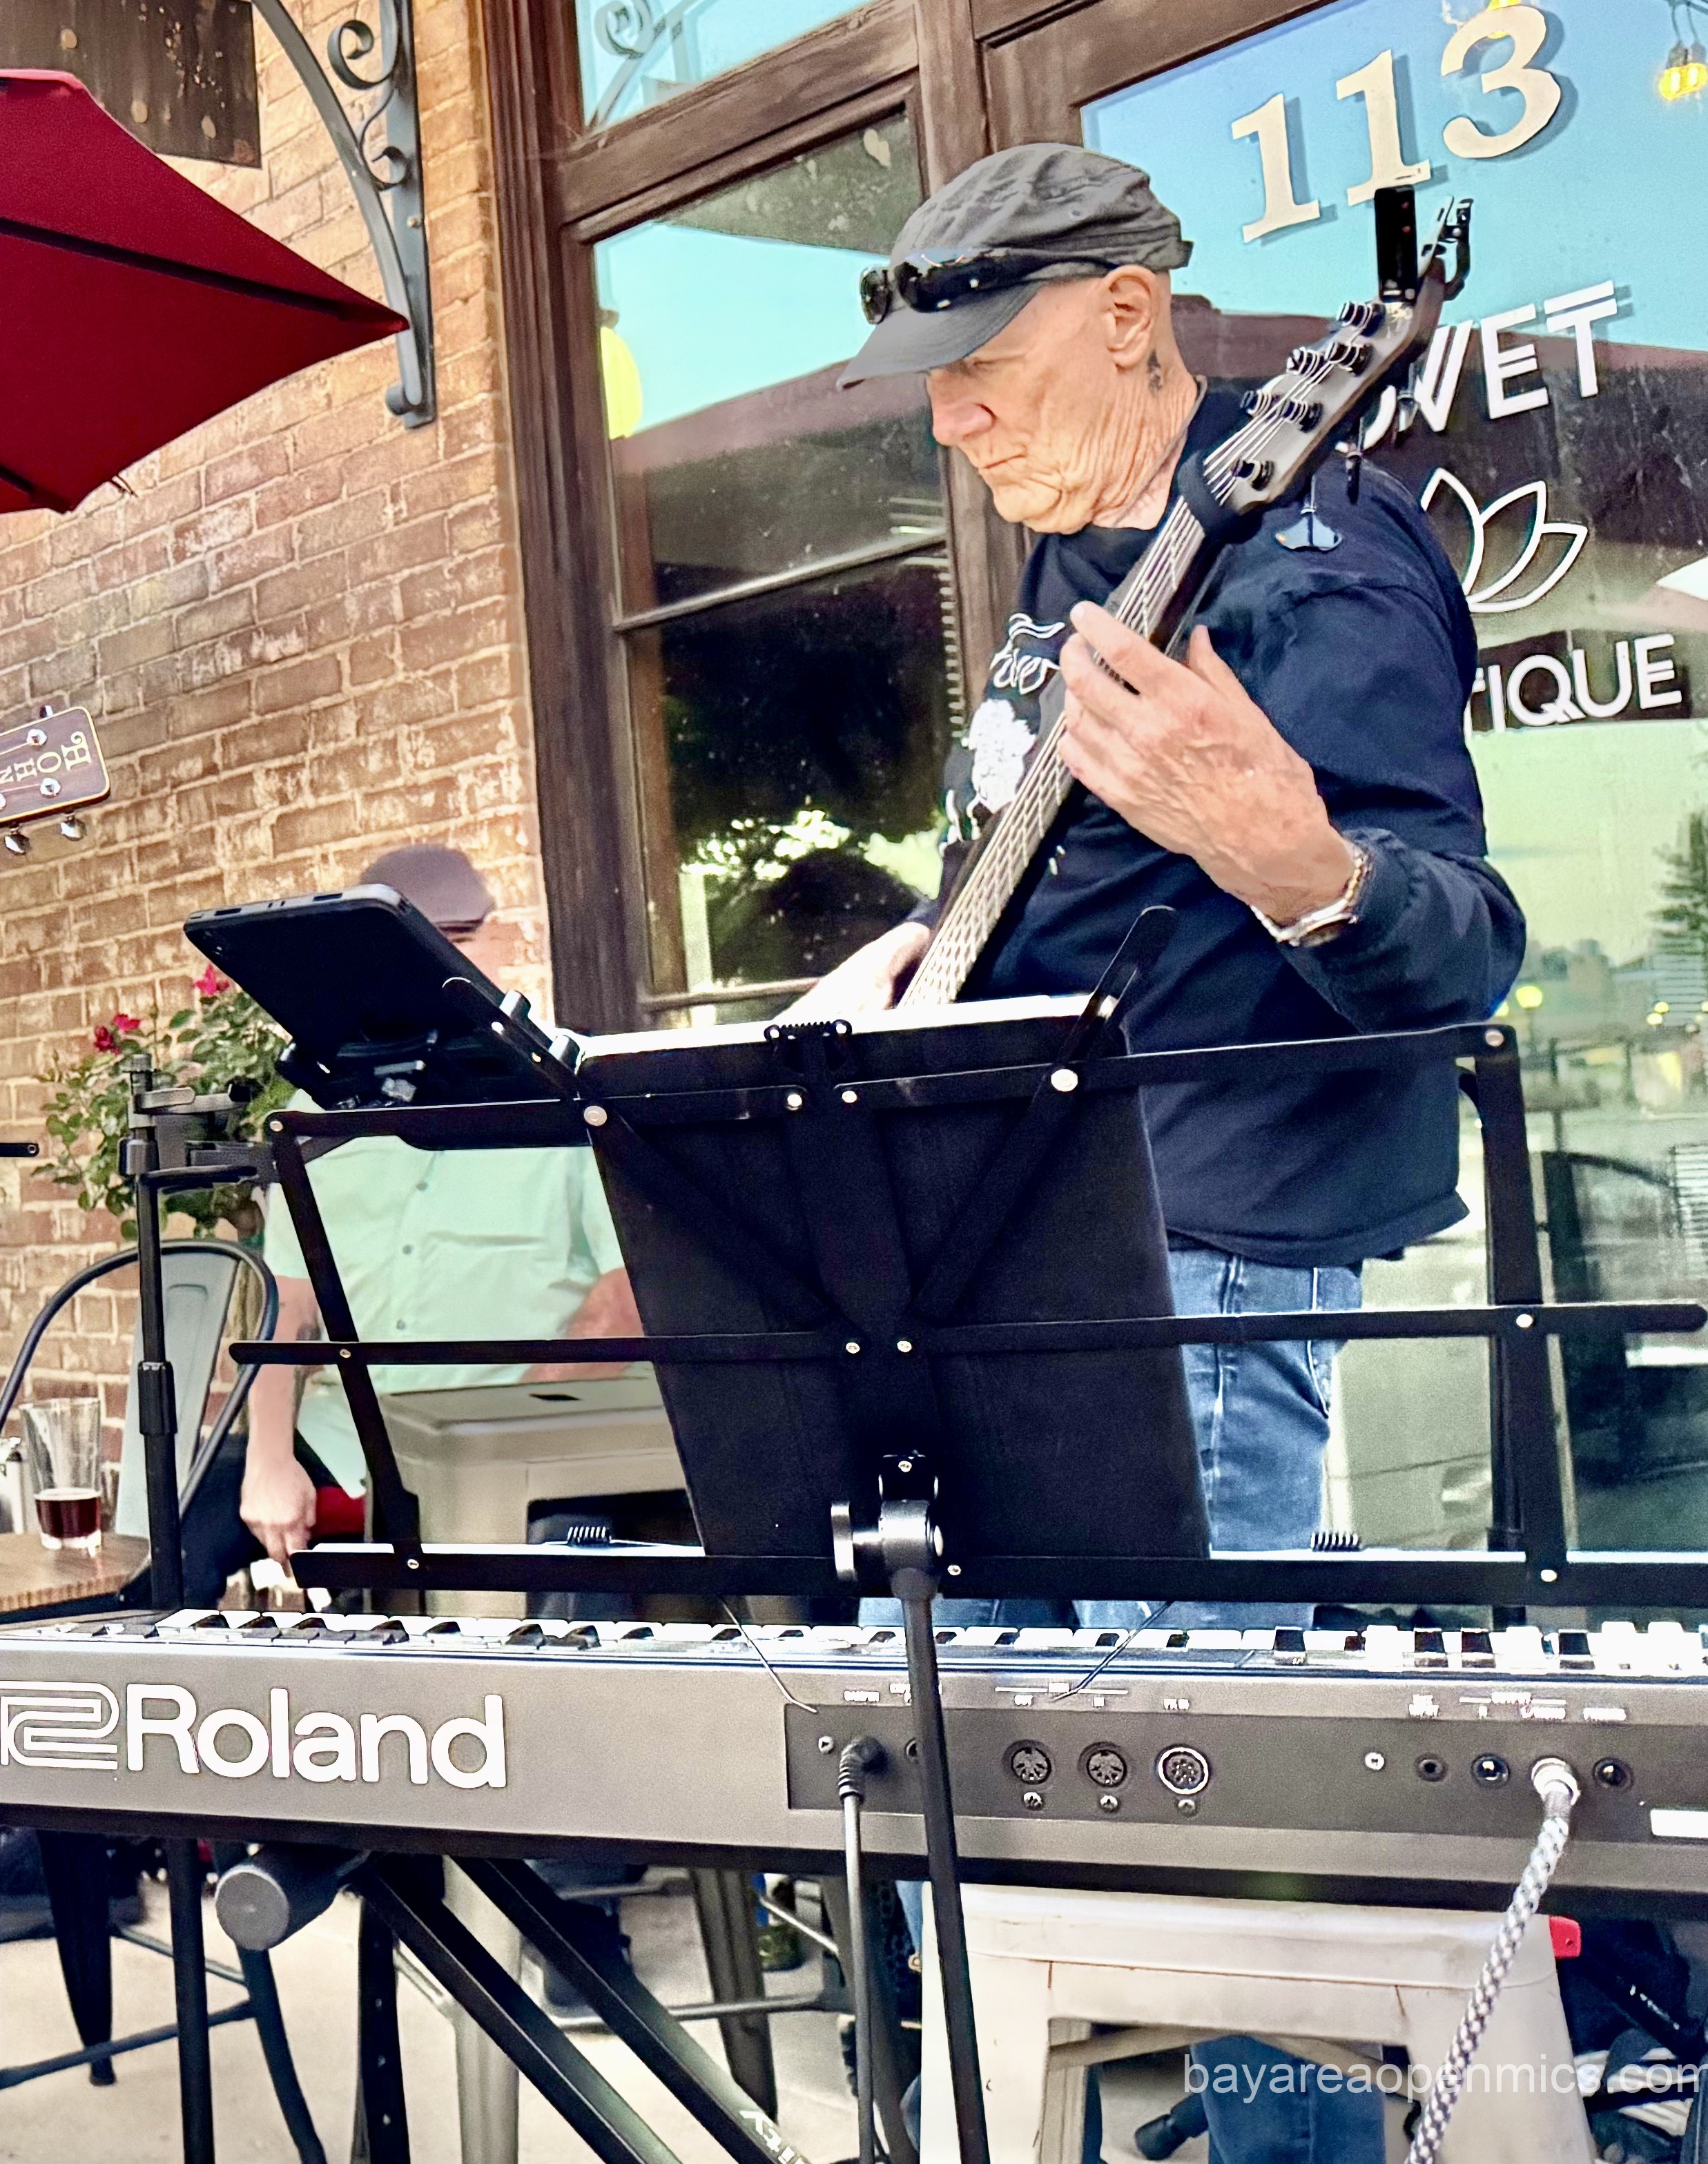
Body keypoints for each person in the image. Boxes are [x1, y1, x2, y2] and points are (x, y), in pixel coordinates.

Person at [815, 144, 1524, 2164]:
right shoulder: (1081, 565)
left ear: (1130, 315)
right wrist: (908, 971)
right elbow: (1051, 900)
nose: (950, 418)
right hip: (1035, 1244)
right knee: (1040, 1792)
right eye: (931, 381)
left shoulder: (1321, 563)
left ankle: (1287, 2145)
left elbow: (1456, 946)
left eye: (986, 364)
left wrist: (1285, 852)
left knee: (1203, 1781)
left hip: (1199, 1244)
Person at [233, 843, 641, 1571]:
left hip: (510, 1436)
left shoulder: (575, 1082)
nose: (435, 966)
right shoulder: (315, 1108)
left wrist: (496, 1439)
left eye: (456, 939)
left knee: (562, 1575)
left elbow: (622, 1302)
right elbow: (283, 1309)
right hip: (342, 1435)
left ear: (498, 938)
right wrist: (267, 1458)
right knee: (172, 1528)